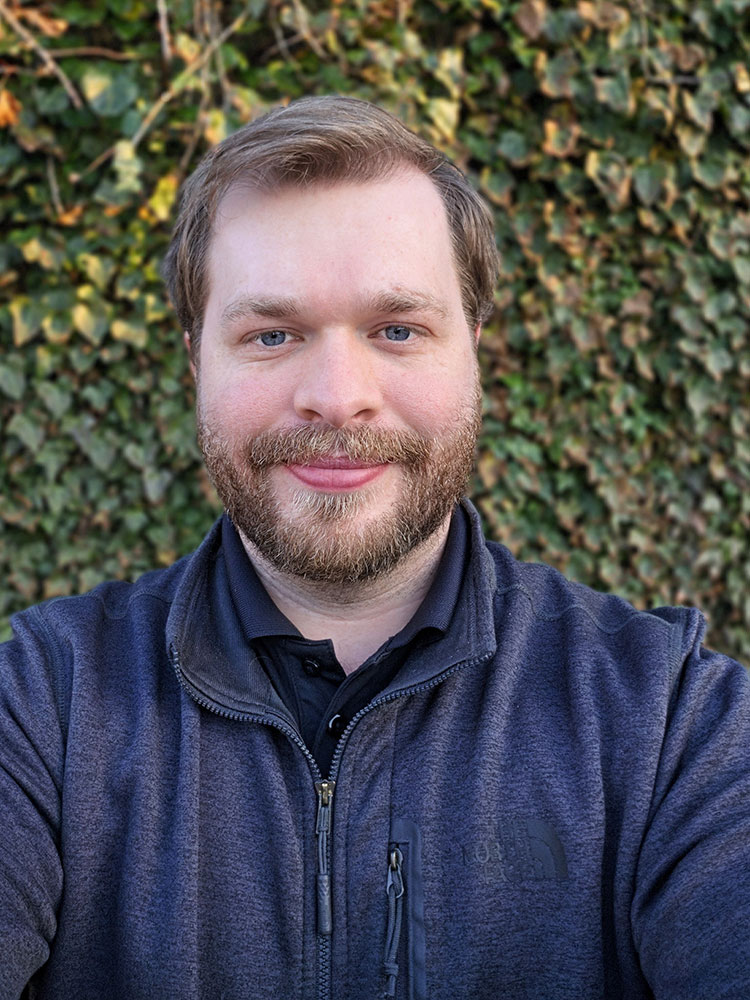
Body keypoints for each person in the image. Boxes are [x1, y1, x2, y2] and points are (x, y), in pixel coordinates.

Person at [1, 95, 749, 1000]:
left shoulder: (672, 723)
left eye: (397, 330)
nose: (338, 395)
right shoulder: (43, 706)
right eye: (272, 335)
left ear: (474, 348)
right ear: (196, 358)